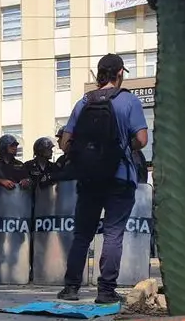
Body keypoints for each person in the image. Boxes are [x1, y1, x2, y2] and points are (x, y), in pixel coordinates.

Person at [57, 53, 149, 304]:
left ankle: (71, 287)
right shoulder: (129, 101)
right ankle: (106, 290)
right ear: (120, 73)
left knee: (82, 234)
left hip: (88, 178)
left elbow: (65, 143)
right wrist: (121, 148)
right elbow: (141, 140)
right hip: (120, 176)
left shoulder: (82, 102)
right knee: (113, 234)